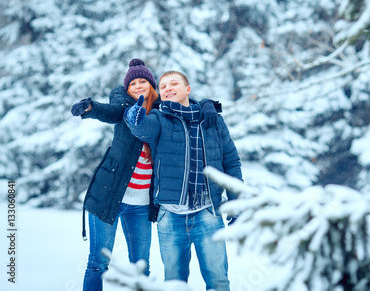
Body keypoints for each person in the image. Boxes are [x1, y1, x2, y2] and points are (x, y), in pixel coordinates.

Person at [70, 59, 219, 291]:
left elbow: (185, 102)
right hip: (108, 197)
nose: (138, 86)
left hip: (141, 205)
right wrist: (90, 109)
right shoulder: (125, 109)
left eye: (143, 81)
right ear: (127, 90)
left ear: (153, 86)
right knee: (98, 263)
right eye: (133, 84)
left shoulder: (164, 111)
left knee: (141, 267)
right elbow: (109, 110)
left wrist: (208, 104)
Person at [124, 70, 243, 291]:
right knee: (174, 284)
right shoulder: (158, 119)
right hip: (170, 216)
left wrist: (237, 203)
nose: (168, 88)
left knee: (218, 281)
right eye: (163, 86)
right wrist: (134, 119)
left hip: (208, 213)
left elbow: (231, 162)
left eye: (174, 83)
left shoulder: (212, 120)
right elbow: (144, 129)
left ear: (187, 89)